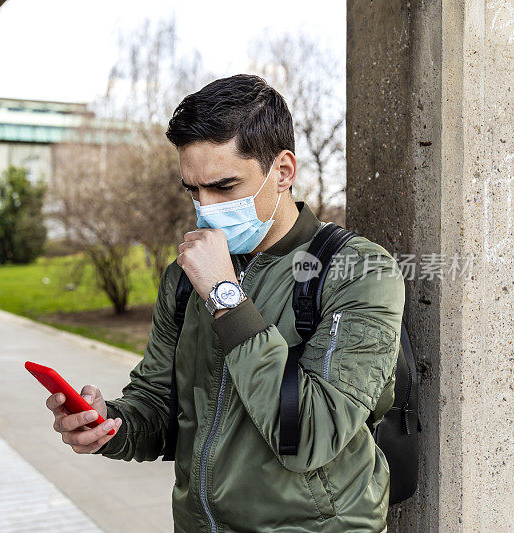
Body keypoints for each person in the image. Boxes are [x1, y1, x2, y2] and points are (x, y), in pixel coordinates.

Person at [44, 74, 404, 532]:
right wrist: (109, 424)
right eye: (194, 190)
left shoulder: (360, 270)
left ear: (284, 171)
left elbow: (311, 434)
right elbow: (160, 404)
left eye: (224, 187)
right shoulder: (185, 275)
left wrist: (225, 296)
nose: (206, 208)